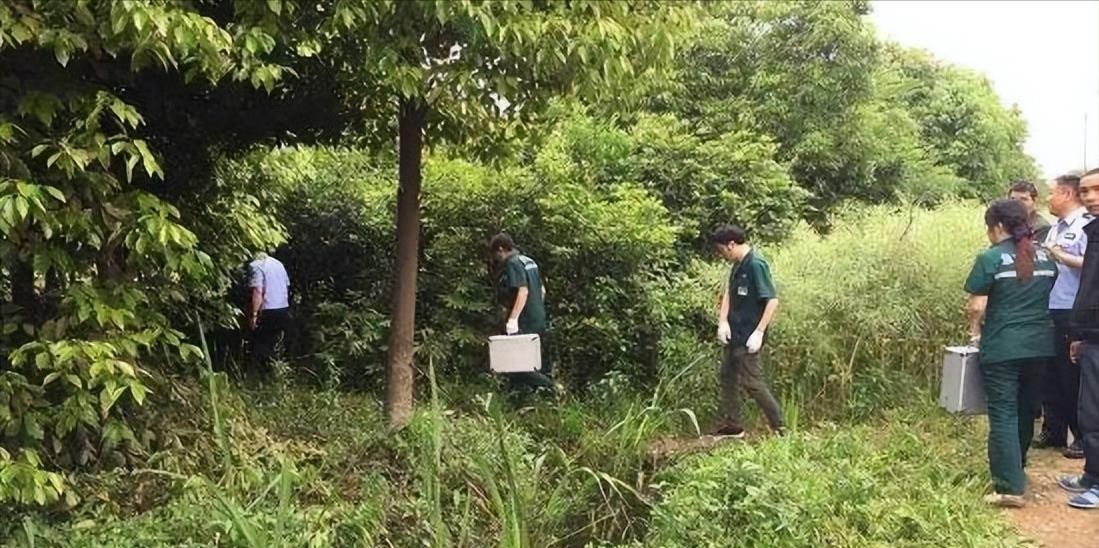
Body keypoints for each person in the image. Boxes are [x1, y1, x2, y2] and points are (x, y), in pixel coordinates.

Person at [964, 199, 1057, 508]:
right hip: (1040, 344)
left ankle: (1009, 487)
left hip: (1003, 346)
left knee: (1003, 411)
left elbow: (977, 305)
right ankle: (1018, 467)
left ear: (999, 227)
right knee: (1026, 408)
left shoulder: (990, 258)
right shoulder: (1044, 255)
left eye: (989, 228)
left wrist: (975, 333)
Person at [709, 224, 785, 438]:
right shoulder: (737, 265)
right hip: (734, 333)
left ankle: (780, 428)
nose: (722, 255)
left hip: (750, 335)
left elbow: (772, 301)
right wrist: (722, 321)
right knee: (727, 376)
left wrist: (759, 332)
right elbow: (729, 292)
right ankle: (733, 425)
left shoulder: (756, 265)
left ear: (731, 245)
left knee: (753, 383)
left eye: (722, 250)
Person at [1034, 174, 1090, 459]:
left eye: (1052, 192)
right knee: (1050, 372)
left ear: (1067, 194)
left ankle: (1081, 435)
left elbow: (1091, 264)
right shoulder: (1055, 228)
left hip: (1073, 309)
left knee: (1072, 376)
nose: (1048, 198)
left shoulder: (1085, 227)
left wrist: (1062, 257)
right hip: (1050, 307)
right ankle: (1054, 430)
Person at [1058, 168, 1099, 509]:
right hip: (1091, 334)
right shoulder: (1093, 231)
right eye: (1085, 191)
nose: (1090, 197)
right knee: (1089, 411)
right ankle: (1091, 474)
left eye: (1097, 189)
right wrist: (1079, 333)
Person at [489, 233, 554, 391]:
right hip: (538, 317)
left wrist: (513, 319)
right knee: (531, 361)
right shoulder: (528, 260)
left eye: (495, 254)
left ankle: (552, 388)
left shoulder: (512, 263)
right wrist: (536, 307)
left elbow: (522, 291)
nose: (496, 259)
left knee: (517, 365)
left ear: (501, 249)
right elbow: (542, 290)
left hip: (525, 320)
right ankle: (526, 397)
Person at [248, 251, 292, 373]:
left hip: (267, 309)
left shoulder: (256, 265)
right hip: (282, 307)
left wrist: (254, 314)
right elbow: (287, 286)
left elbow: (258, 290)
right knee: (274, 341)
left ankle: (262, 372)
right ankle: (276, 369)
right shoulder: (279, 264)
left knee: (261, 343)